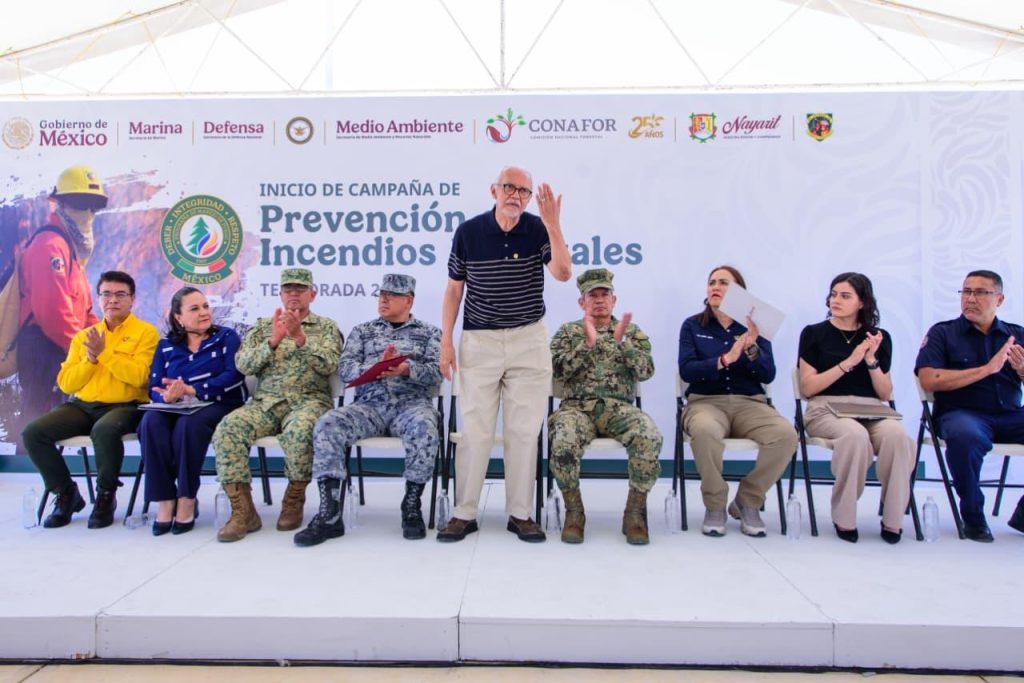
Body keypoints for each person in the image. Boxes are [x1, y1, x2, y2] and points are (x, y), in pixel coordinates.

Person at [437, 165, 572, 543]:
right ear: (493, 190)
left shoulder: (538, 229)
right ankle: (464, 513)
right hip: (479, 340)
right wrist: (446, 340)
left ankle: (521, 514)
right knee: (474, 431)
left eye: (524, 191)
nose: (516, 195)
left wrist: (553, 224)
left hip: (528, 340)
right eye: (509, 188)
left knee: (524, 431)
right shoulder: (469, 232)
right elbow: (453, 289)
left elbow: (563, 273)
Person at [295, 273, 442, 546]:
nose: (383, 300)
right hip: (369, 406)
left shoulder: (430, 333)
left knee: (425, 426)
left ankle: (411, 505)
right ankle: (330, 514)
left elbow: (437, 372)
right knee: (328, 424)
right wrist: (374, 369)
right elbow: (345, 369)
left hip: (411, 405)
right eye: (381, 294)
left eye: (392, 295)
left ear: (409, 300)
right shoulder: (362, 331)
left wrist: (406, 368)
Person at [212, 268, 343, 543]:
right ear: (280, 294)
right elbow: (243, 365)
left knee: (301, 430)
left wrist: (300, 338)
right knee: (228, 428)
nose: (294, 294)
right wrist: (272, 341)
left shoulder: (327, 327)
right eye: (288, 289)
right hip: (265, 403)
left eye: (300, 289)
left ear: (312, 294)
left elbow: (330, 365)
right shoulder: (262, 327)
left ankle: (294, 498)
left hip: (308, 401)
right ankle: (243, 512)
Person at [21, 270, 158, 529]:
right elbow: (67, 383)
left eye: (120, 294)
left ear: (132, 299)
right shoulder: (84, 336)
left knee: (104, 430)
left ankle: (105, 495)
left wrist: (104, 354)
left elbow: (140, 378)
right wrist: (91, 359)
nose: (113, 300)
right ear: (98, 298)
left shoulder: (146, 333)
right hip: (83, 406)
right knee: (33, 433)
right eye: (106, 294)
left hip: (126, 406)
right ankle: (65, 493)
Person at [678, 265, 796, 537]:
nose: (715, 287)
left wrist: (752, 348)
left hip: (750, 402)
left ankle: (748, 500)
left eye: (724, 283)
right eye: (712, 282)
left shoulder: (755, 327)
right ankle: (715, 504)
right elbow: (687, 371)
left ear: (739, 292)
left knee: (786, 436)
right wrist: (724, 360)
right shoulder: (693, 325)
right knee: (704, 430)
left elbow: (768, 374)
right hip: (705, 402)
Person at [798, 272, 914, 544]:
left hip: (872, 409)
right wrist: (850, 362)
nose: (835, 300)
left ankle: (893, 519)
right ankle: (845, 517)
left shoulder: (878, 337)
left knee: (899, 437)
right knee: (854, 436)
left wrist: (871, 360)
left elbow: (884, 393)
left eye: (845, 296)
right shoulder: (814, 333)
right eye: (833, 294)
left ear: (862, 302)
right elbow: (808, 387)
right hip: (825, 407)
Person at [548, 268, 661, 545]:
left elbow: (646, 371)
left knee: (648, 435)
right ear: (582, 302)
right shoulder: (568, 332)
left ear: (614, 299)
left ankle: (634, 514)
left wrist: (624, 345)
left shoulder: (632, 332)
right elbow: (556, 371)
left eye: (604, 294)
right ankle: (574, 513)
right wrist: (586, 346)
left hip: (618, 410)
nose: (599, 300)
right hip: (576, 409)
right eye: (592, 295)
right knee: (563, 441)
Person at [915, 269, 1024, 542]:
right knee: (966, 435)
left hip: (1010, 416)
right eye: (966, 291)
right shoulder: (943, 333)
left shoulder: (1016, 335)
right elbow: (928, 379)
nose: (971, 299)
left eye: (980, 292)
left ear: (999, 299)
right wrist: (987, 369)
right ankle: (973, 516)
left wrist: (1023, 371)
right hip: (961, 415)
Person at [139, 287, 247, 536]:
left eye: (205, 306)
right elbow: (154, 386)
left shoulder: (226, 337)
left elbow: (234, 376)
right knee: (150, 422)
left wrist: (193, 390)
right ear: (178, 317)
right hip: (177, 406)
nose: (204, 312)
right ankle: (165, 500)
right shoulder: (166, 346)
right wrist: (166, 396)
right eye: (195, 309)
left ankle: (187, 498)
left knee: (189, 425)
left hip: (220, 403)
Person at [15, 166, 106, 445]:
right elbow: (52, 311)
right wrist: (80, 348)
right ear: (61, 204)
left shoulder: (71, 250)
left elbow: (85, 311)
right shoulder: (50, 245)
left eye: (94, 205)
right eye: (80, 202)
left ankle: (47, 471)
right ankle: (27, 471)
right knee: (38, 424)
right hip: (44, 349)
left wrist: (102, 343)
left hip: (62, 348)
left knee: (55, 427)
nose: (88, 212)